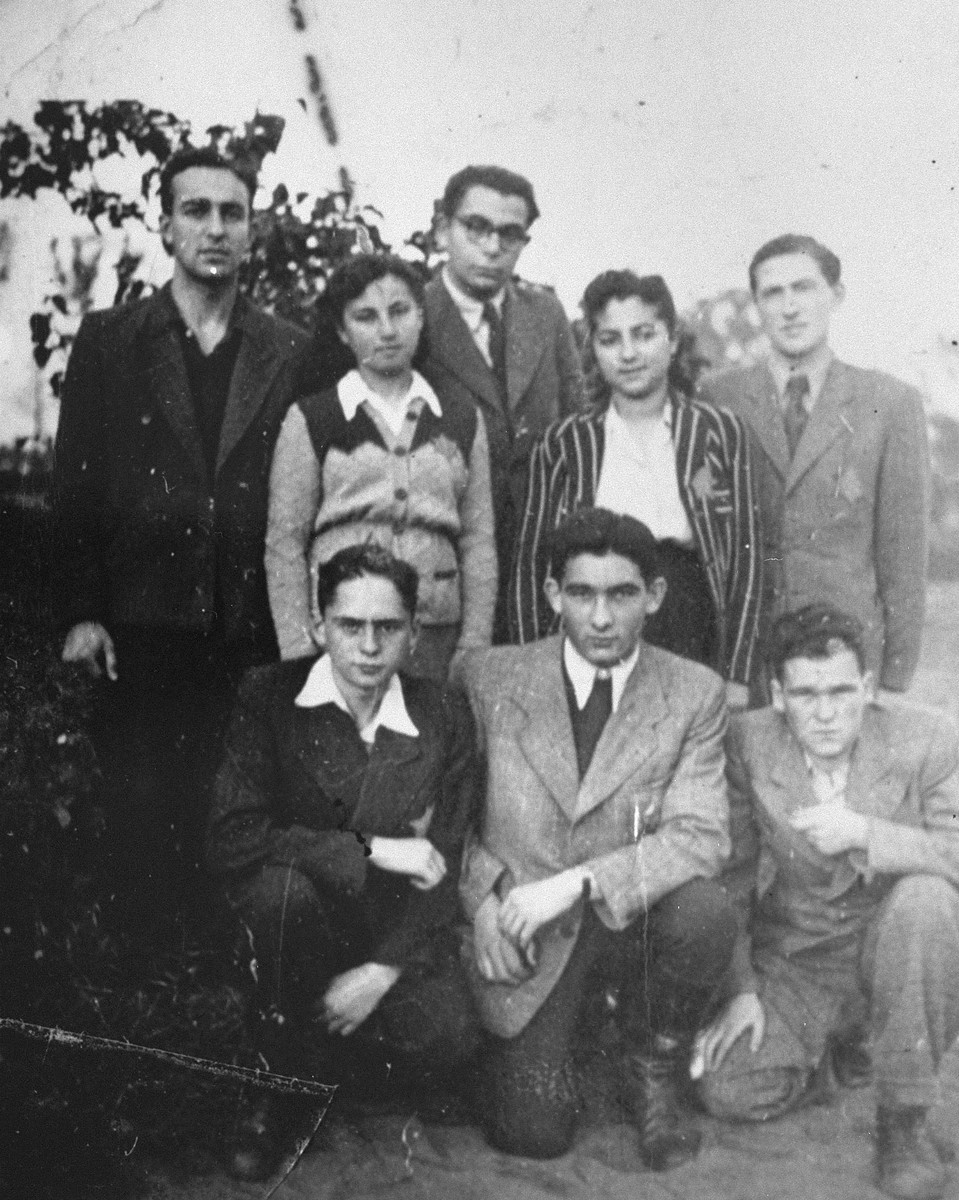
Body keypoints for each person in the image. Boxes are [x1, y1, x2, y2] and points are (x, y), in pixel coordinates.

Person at [50, 146, 310, 918]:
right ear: (165, 226)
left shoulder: (288, 350)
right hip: (142, 614)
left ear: (253, 230)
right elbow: (77, 487)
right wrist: (80, 611)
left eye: (233, 213)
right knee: (142, 798)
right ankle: (142, 985)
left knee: (234, 797)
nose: (216, 228)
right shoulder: (111, 339)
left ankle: (224, 974)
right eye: (196, 210)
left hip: (248, 620)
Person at [459, 507, 739, 1169]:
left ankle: (653, 1061)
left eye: (622, 594)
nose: (603, 618)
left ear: (655, 595)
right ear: (554, 595)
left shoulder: (694, 692)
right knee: (533, 1133)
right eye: (582, 594)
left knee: (704, 912)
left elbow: (701, 836)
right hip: (525, 932)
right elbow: (449, 824)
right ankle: (561, 1038)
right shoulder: (487, 678)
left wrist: (582, 880)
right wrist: (484, 904)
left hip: (626, 922)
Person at [690, 604, 959, 1200]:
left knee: (927, 901)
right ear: (777, 695)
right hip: (802, 954)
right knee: (726, 1089)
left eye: (840, 692)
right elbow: (729, 875)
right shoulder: (748, 742)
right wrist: (742, 989)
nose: (826, 714)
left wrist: (866, 834)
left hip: (894, 942)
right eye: (806, 695)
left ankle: (903, 1121)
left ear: (868, 687)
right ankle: (842, 1049)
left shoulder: (924, 735)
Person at [205, 544, 482, 1180]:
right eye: (349, 626)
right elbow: (234, 835)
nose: (367, 647)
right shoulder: (270, 697)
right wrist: (370, 848)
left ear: (415, 633)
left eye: (387, 628)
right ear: (318, 626)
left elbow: (451, 856)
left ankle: (331, 1061)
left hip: (388, 938)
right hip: (298, 928)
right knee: (282, 896)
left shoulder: (442, 714)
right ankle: (272, 1084)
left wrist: (383, 970)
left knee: (450, 1037)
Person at [511, 270, 761, 709]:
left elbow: (747, 558)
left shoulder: (719, 433)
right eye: (610, 340)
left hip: (688, 615)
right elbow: (534, 565)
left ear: (673, 339)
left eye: (643, 335)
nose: (628, 354)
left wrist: (738, 673)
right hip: (598, 615)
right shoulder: (566, 443)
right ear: (593, 349)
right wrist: (537, 667)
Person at [700, 235, 930, 699]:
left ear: (836, 296)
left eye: (803, 288)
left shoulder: (888, 404)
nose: (789, 308)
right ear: (757, 306)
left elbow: (904, 560)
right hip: (743, 661)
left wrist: (892, 682)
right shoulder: (717, 397)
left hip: (844, 660)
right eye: (772, 293)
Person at [264, 252, 496, 681]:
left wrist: (473, 647)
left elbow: (479, 540)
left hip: (434, 637)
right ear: (342, 331)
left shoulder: (461, 417)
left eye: (400, 311)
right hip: (340, 633)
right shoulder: (314, 418)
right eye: (366, 317)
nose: (387, 331)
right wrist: (298, 650)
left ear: (421, 316)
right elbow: (284, 543)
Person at [422, 164, 585, 637]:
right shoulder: (411, 317)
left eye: (510, 235)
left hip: (539, 560)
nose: (492, 248)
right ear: (442, 230)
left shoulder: (546, 314)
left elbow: (576, 426)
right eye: (476, 228)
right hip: (450, 565)